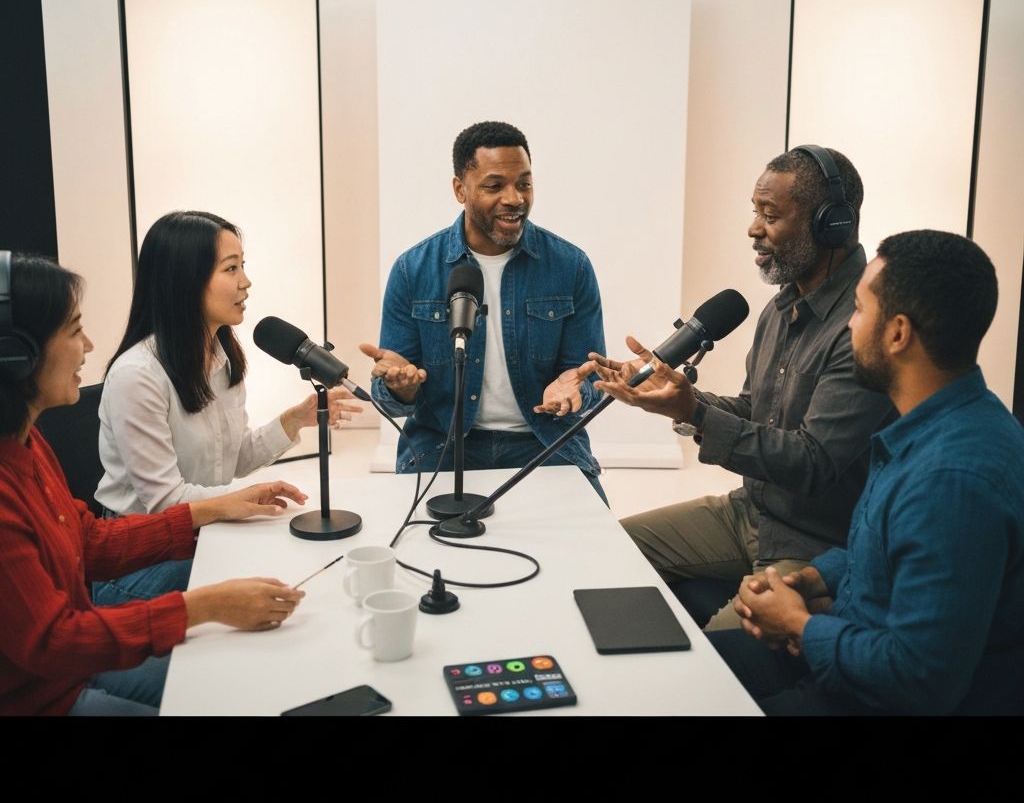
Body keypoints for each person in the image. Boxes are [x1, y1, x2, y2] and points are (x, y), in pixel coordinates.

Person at [713, 230, 1024, 715]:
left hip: (872, 694)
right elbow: (884, 553)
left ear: (897, 334)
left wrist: (799, 625)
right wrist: (813, 579)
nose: (848, 325)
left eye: (858, 310)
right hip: (848, 650)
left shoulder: (953, 480)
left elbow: (918, 679)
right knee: (684, 666)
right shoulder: (934, 424)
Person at [584, 146, 896, 628]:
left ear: (829, 224)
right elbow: (755, 410)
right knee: (601, 552)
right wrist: (677, 400)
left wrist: (696, 414)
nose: (753, 229)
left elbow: (813, 462)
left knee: (717, 650)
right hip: (749, 512)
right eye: (755, 212)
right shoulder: (780, 309)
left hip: (815, 543)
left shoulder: (862, 325)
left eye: (770, 215)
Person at [0, 252, 307, 716]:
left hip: (73, 668)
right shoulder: (135, 374)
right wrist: (201, 607)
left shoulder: (27, 442)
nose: (88, 345)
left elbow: (88, 539)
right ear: (17, 356)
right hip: (44, 696)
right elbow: (54, 642)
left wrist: (217, 507)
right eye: (74, 330)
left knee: (236, 681)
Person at [94, 210, 360, 604]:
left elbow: (230, 461)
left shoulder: (221, 358)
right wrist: (245, 500)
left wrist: (293, 421)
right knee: (282, 573)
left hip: (204, 537)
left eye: (243, 266)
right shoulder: (137, 376)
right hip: (138, 565)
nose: (246, 282)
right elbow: (166, 502)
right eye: (231, 268)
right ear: (186, 280)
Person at [359, 121, 608, 500]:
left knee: (590, 534)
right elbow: (389, 395)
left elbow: (591, 378)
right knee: (420, 536)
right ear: (460, 189)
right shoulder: (413, 270)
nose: (514, 198)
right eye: (495, 186)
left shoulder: (570, 266)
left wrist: (575, 392)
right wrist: (400, 388)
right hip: (442, 444)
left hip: (545, 442)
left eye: (524, 184)